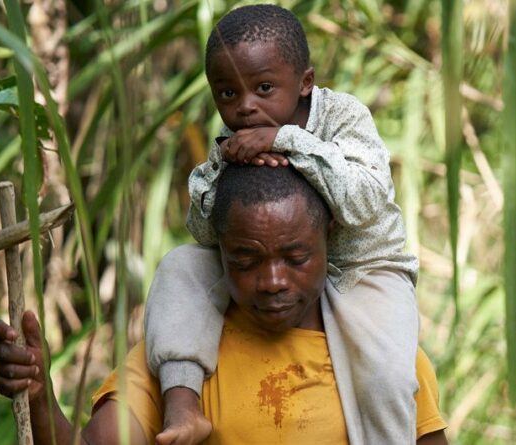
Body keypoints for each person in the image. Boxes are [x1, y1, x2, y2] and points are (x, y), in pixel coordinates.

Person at [0, 165, 448, 445]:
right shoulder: (177, 359)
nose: (272, 282)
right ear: (218, 250)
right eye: (246, 260)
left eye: (296, 257)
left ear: (329, 237)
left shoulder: (383, 356)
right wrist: (39, 392)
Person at [144, 4, 420, 444]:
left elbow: (366, 201)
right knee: (179, 268)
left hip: (365, 270)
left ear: (305, 83)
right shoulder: (235, 136)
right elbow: (203, 230)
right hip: (268, 264)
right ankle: (183, 408)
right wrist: (223, 169)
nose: (246, 107)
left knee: (387, 377)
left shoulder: (343, 116)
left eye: (264, 88)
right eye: (228, 94)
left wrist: (288, 142)